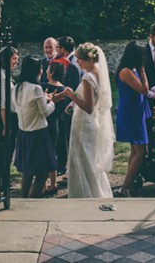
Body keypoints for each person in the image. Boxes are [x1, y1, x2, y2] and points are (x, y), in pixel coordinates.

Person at [58, 42, 115, 198]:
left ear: (88, 59)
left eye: (80, 59)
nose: (78, 62)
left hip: (84, 124)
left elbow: (89, 107)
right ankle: (95, 191)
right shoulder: (99, 74)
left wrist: (72, 96)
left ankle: (86, 194)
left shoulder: (88, 78)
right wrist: (74, 103)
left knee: (84, 161)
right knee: (90, 160)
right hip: (92, 122)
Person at [12, 55, 58, 198]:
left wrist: (44, 99)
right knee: (42, 173)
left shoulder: (17, 87)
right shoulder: (36, 88)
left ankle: (23, 198)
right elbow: (45, 112)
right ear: (37, 70)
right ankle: (32, 201)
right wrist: (52, 102)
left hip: (23, 132)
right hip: (38, 134)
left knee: (27, 172)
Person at [113, 41, 151, 197]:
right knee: (141, 151)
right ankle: (125, 187)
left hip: (135, 111)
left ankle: (129, 183)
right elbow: (144, 89)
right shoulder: (126, 72)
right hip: (132, 113)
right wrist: (143, 70)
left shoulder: (130, 70)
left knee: (136, 150)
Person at [0, 46, 19, 188]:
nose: (15, 62)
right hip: (4, 117)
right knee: (4, 151)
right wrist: (6, 126)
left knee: (2, 151)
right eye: (13, 59)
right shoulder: (1, 77)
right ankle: (2, 183)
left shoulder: (0, 73)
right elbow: (3, 104)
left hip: (3, 115)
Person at [53, 35, 80, 175]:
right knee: (63, 139)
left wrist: (68, 108)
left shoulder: (74, 65)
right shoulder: (65, 61)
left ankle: (73, 170)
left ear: (63, 49)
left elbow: (75, 88)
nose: (55, 50)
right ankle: (64, 167)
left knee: (70, 138)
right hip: (62, 107)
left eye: (57, 47)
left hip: (69, 109)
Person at [42, 61, 67, 195]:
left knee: (44, 153)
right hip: (56, 123)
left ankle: (43, 184)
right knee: (53, 153)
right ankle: (53, 182)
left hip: (45, 122)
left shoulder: (44, 87)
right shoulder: (64, 88)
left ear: (51, 72)